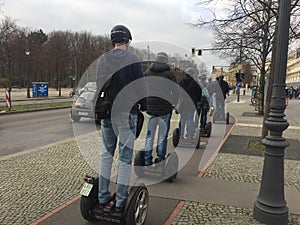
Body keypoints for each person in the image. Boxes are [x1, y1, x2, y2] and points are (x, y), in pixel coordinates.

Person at [95, 25, 147, 213]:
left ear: (113, 41)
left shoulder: (103, 60)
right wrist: (144, 104)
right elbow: (140, 85)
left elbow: (100, 84)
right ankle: (120, 202)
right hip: (127, 113)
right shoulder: (132, 59)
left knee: (106, 155)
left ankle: (101, 198)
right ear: (127, 40)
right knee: (125, 159)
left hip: (107, 113)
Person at [143, 52, 178, 166]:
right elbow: (176, 91)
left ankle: (147, 159)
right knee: (162, 135)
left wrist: (144, 101)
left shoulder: (148, 72)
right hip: (165, 107)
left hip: (150, 107)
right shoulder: (169, 74)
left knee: (149, 135)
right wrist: (174, 102)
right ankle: (160, 159)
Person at [177, 67, 201, 140]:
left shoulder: (181, 82)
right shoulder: (196, 83)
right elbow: (199, 94)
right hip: (191, 104)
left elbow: (178, 92)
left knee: (183, 119)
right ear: (192, 74)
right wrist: (197, 100)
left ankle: (181, 137)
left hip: (183, 103)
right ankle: (189, 136)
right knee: (190, 119)